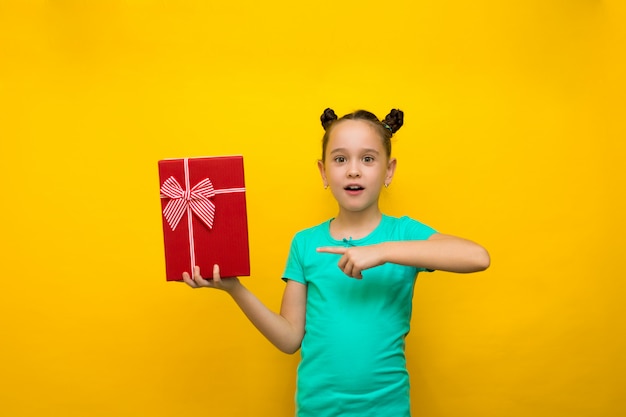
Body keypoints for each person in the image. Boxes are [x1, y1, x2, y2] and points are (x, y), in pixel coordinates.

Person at [182, 108, 490, 417]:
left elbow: (477, 257)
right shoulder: (305, 243)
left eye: (367, 159)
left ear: (389, 170)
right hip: (317, 411)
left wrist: (381, 251)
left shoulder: (403, 233)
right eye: (340, 159)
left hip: (388, 410)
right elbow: (289, 339)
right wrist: (235, 289)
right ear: (323, 171)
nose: (353, 171)